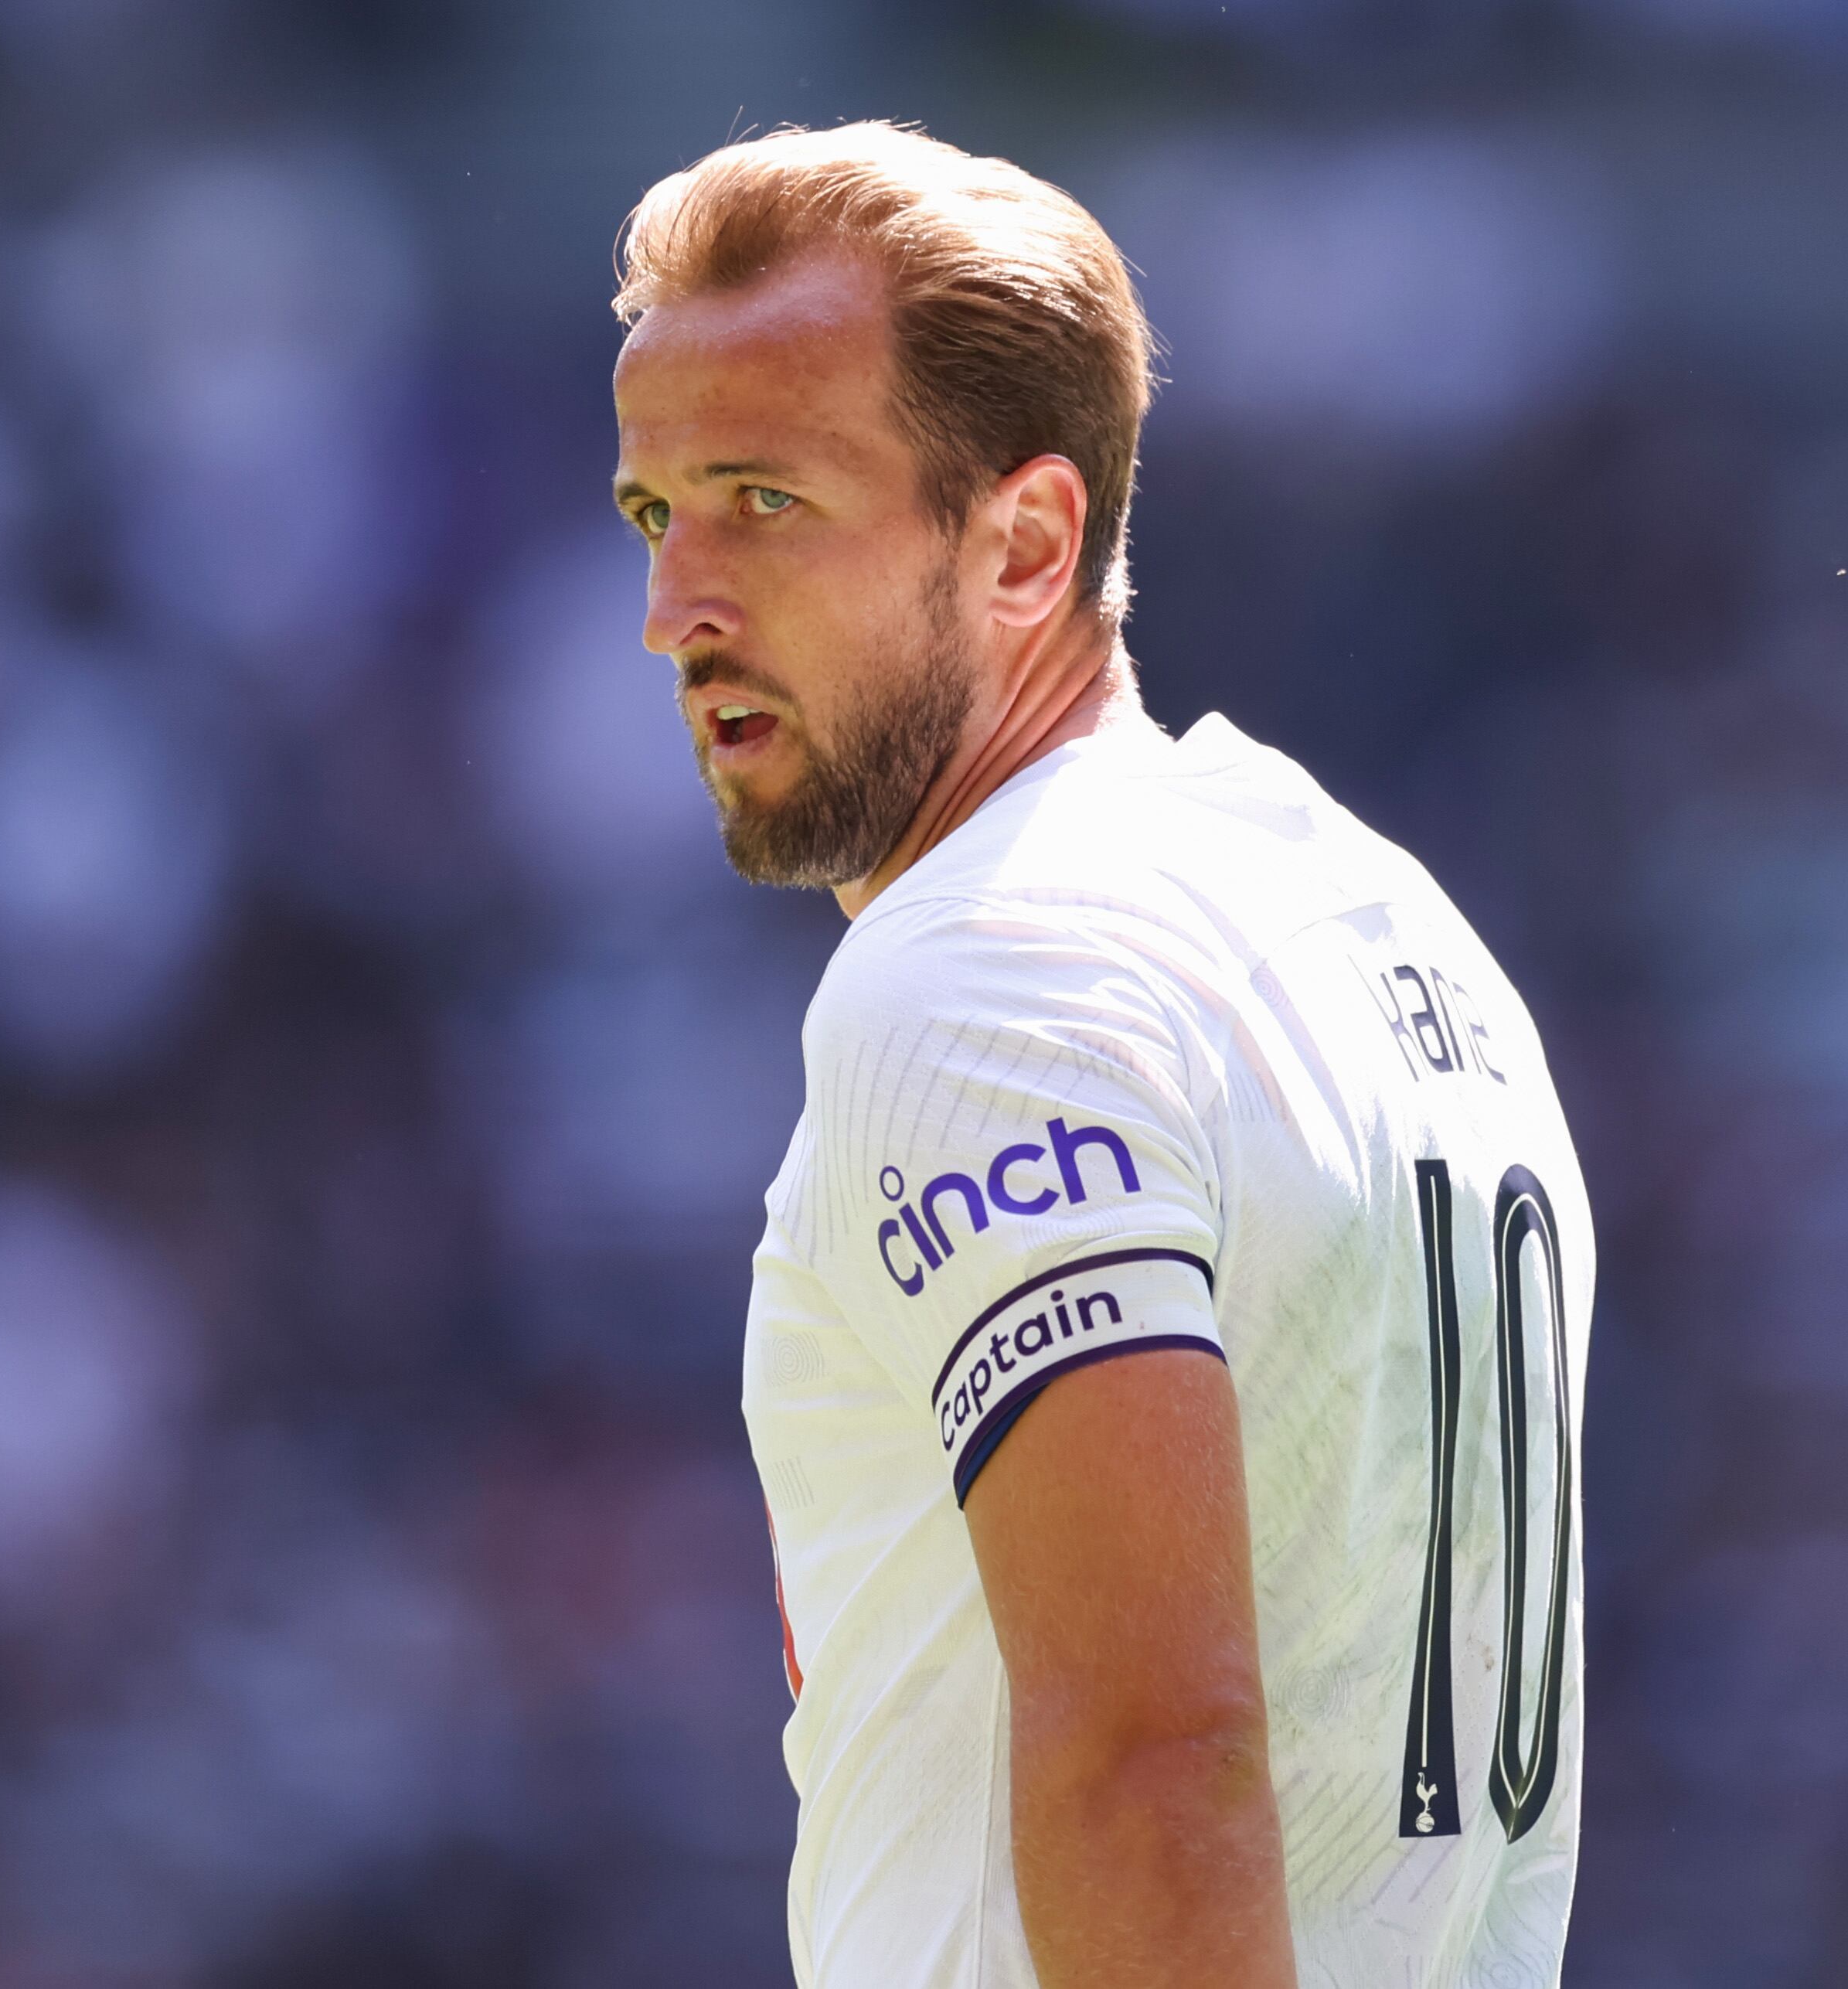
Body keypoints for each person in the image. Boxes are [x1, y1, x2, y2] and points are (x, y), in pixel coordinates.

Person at [607, 122, 1594, 1988]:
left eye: (767, 500)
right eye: (660, 513)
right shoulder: (1395, 934)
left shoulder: (985, 978)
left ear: (1030, 541)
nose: (677, 613)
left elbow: (1155, 1766)